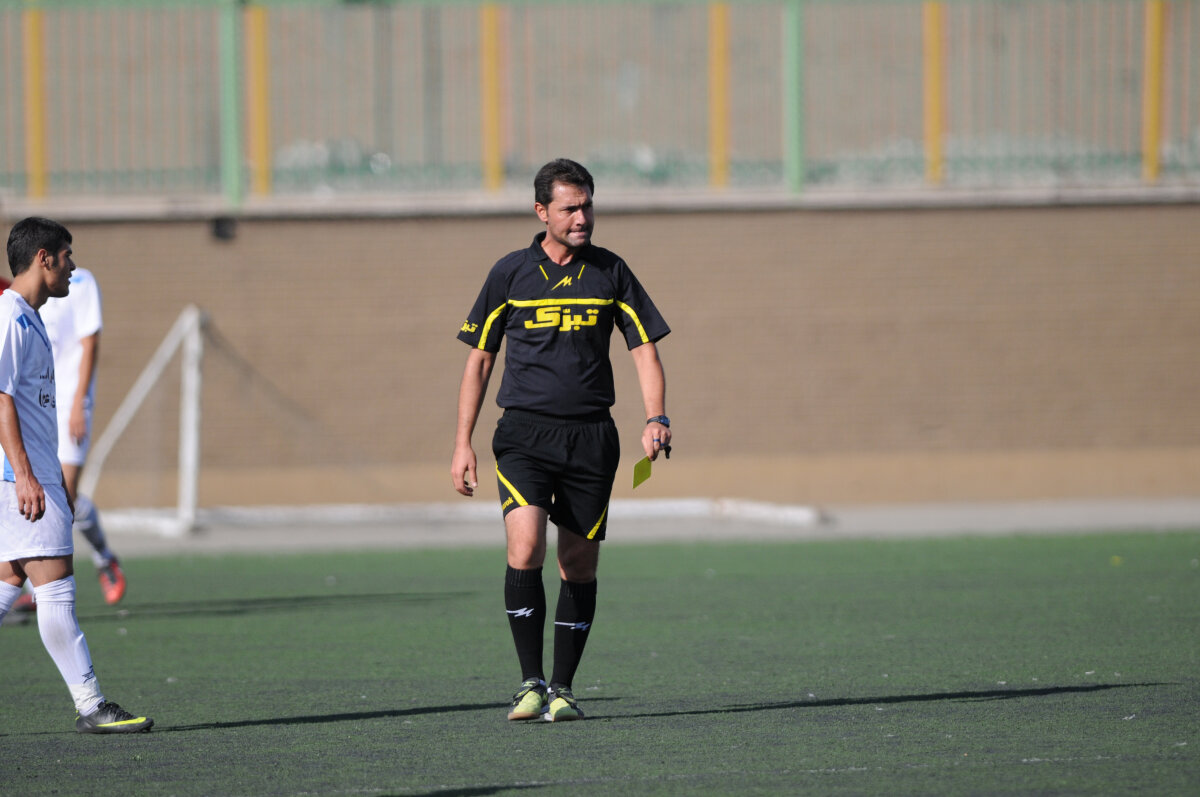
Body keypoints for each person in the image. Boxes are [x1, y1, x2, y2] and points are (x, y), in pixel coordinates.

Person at [451, 159, 672, 722]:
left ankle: (563, 690)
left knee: (577, 563)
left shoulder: (611, 271)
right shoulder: (509, 274)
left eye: (587, 206)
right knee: (525, 548)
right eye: (570, 208)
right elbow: (480, 361)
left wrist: (656, 416)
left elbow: (644, 349)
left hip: (591, 438)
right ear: (541, 211)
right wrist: (462, 442)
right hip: (523, 435)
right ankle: (529, 683)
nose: (582, 217)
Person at [0, 217, 152, 734]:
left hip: (29, 474)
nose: (73, 266)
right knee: (55, 585)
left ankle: (91, 704)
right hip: (22, 479)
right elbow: (0, 398)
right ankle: (91, 705)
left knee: (9, 580)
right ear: (43, 257)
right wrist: (26, 476)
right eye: (67, 255)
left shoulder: (30, 317)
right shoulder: (9, 316)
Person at [38, 262, 126, 604]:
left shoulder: (81, 282)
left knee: (65, 497)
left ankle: (104, 557)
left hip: (70, 404)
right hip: (36, 404)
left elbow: (91, 343)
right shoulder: (26, 288)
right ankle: (34, 588)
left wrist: (79, 404)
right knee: (34, 495)